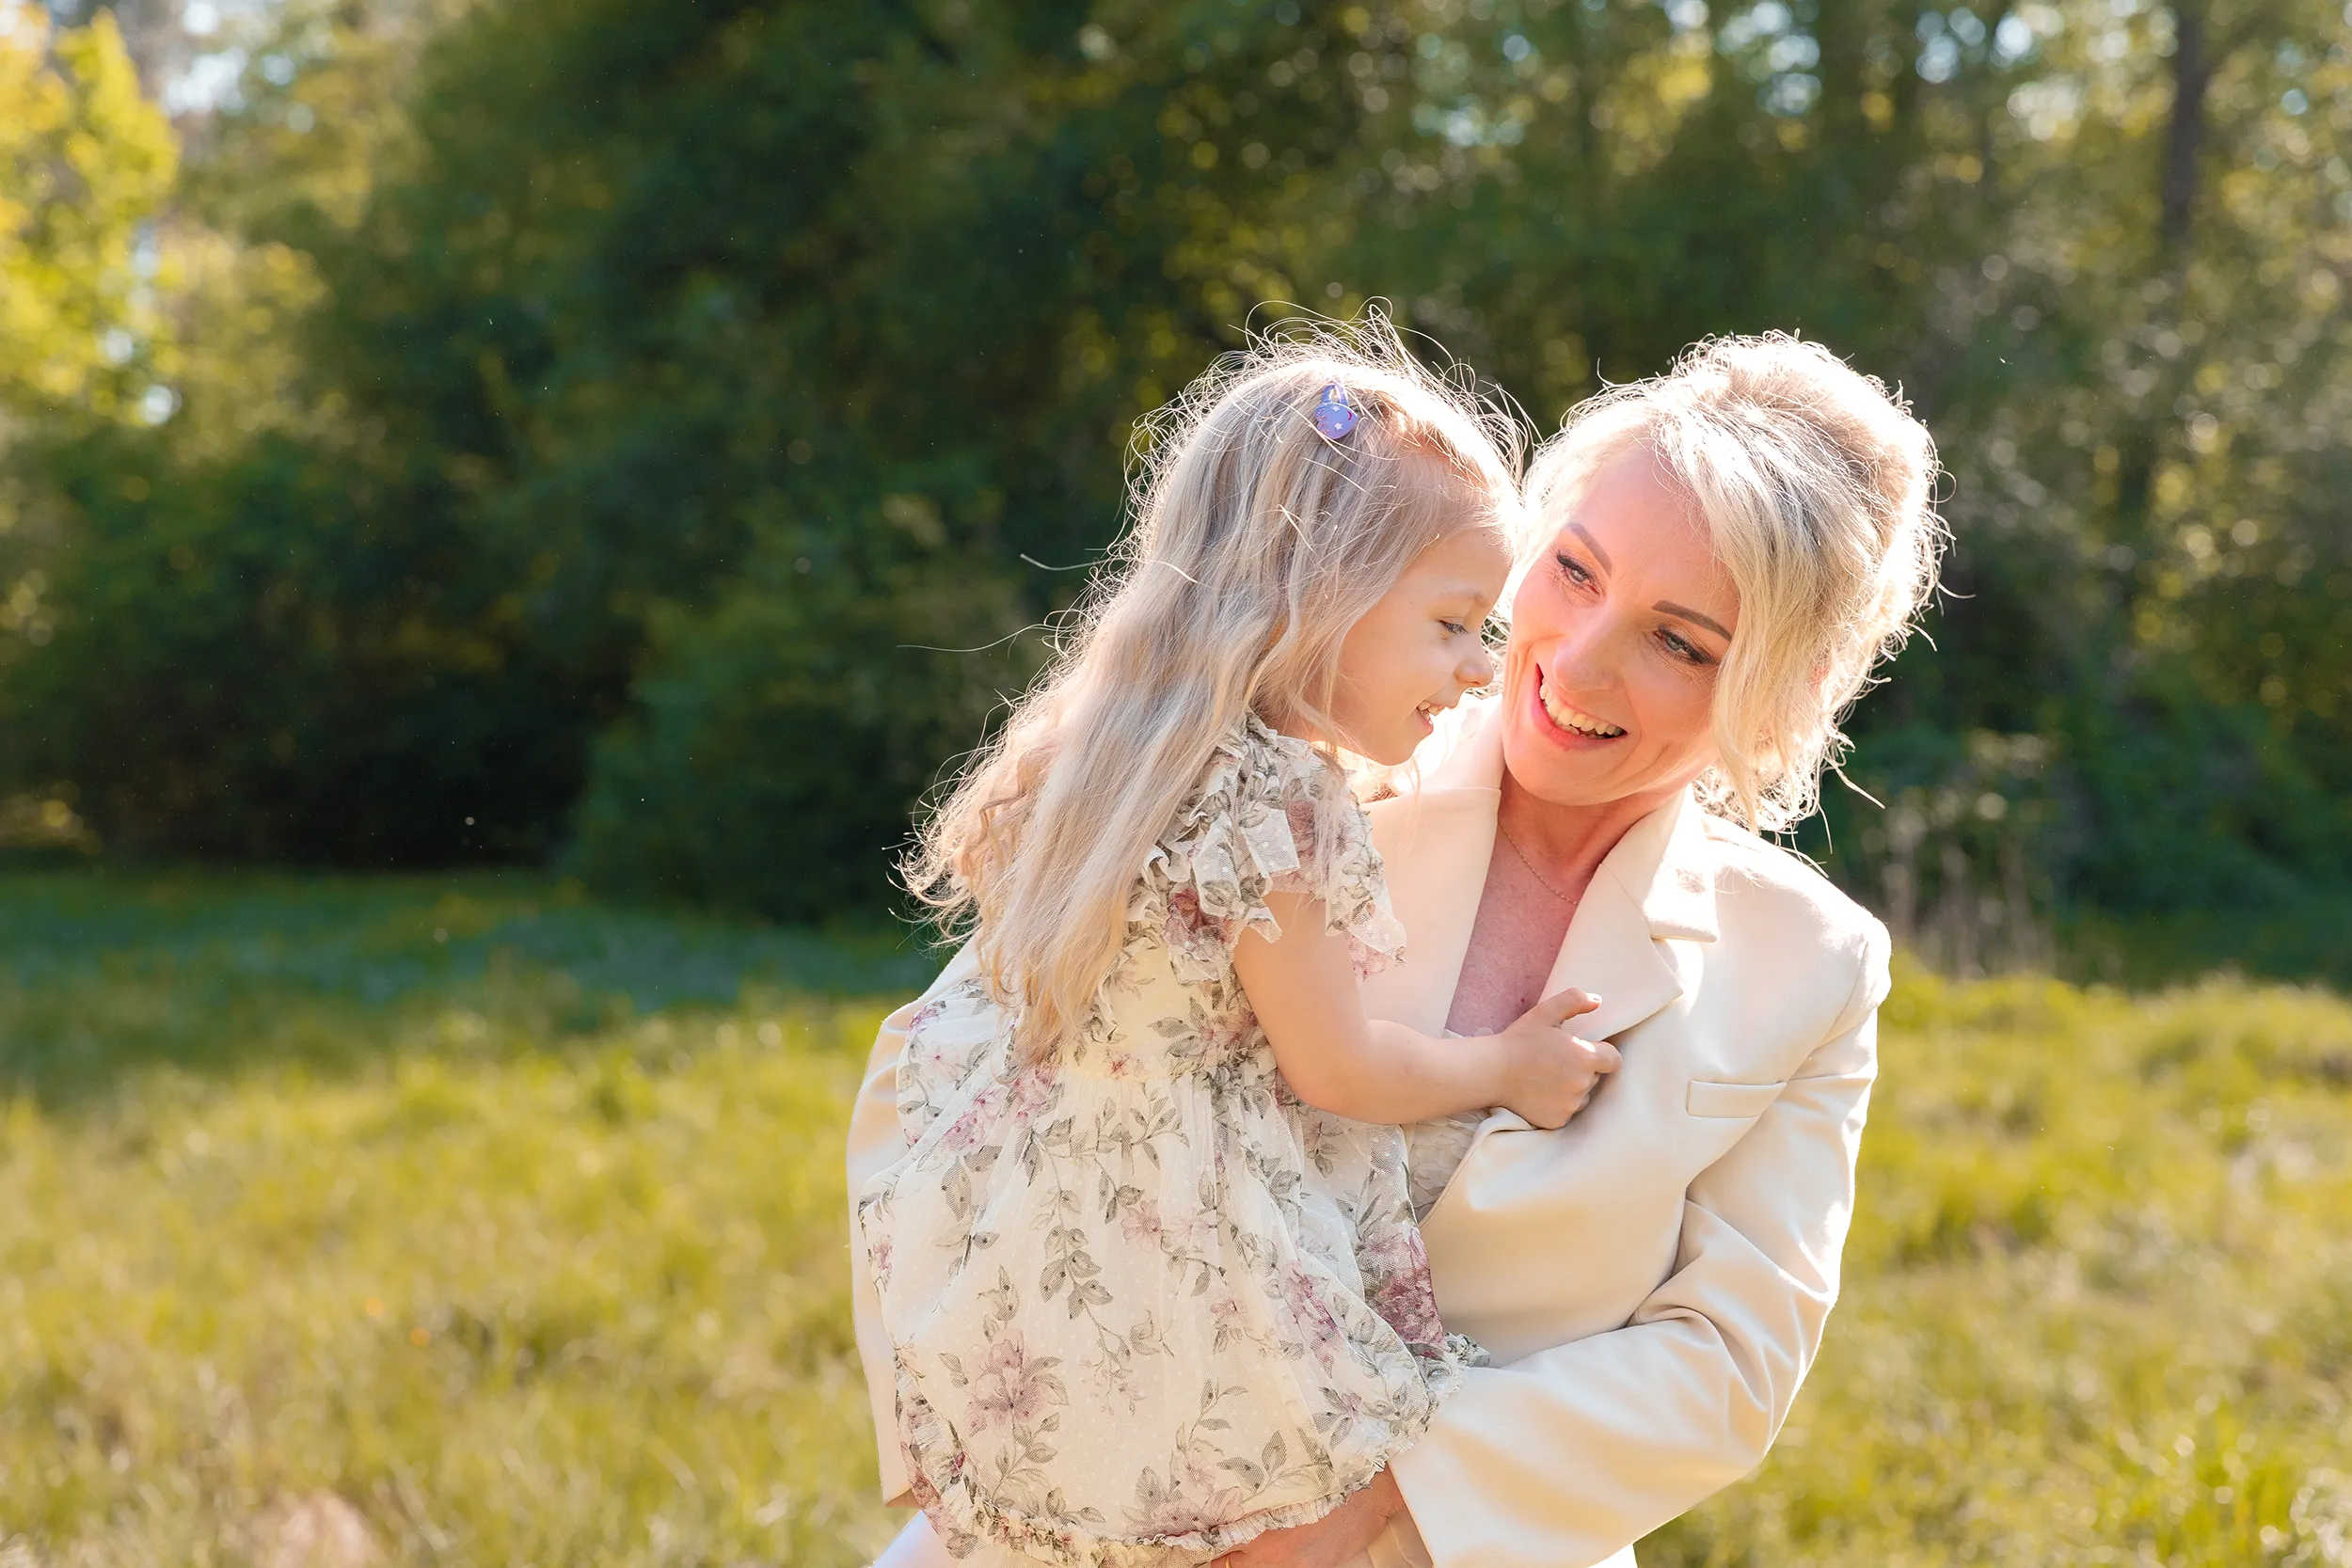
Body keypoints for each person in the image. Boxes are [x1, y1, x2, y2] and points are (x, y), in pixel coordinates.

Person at [850, 330, 1945, 1568]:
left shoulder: (1808, 964)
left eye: (1679, 641)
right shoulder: (1281, 768)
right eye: (1573, 571)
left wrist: (1366, 1509)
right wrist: (994, 1425)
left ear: (1784, 691)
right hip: (1078, 1502)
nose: (1578, 660)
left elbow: (1728, 1363)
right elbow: (950, 1076)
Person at [851, 325, 1612, 1568]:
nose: (1482, 669)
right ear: (1318, 593)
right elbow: (1342, 1068)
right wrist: (1507, 1064)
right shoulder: (1276, 800)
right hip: (1193, 1240)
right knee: (1306, 1514)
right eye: (1454, 622)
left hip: (1042, 1221)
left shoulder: (1102, 750)